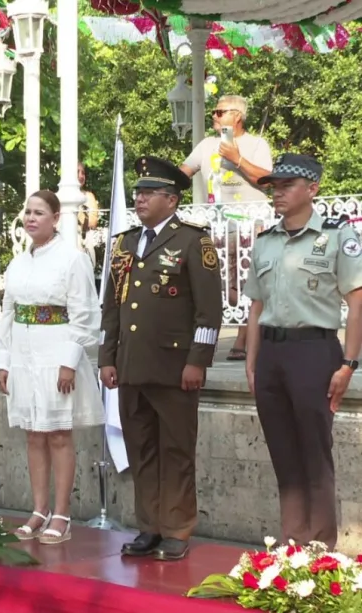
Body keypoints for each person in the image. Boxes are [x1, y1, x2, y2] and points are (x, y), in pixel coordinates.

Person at [98, 156, 223, 561]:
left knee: (176, 451)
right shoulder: (124, 243)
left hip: (174, 368)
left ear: (171, 200)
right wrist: (107, 357)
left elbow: (209, 311)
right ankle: (148, 526)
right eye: (137, 193)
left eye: (148, 193)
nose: (139, 199)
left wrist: (198, 361)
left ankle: (177, 528)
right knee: (141, 450)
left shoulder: (193, 241)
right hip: (132, 366)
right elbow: (112, 307)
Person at [244, 154, 362, 550]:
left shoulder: (335, 237)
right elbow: (256, 307)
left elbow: (356, 300)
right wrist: (251, 362)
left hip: (314, 351)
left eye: (286, 185)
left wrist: (349, 362)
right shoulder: (265, 242)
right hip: (272, 355)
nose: (277, 192)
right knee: (283, 453)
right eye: (274, 186)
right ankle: (292, 543)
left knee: (314, 452)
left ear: (312, 189)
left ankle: (321, 548)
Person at [0, 190, 104, 544]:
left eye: (39, 212)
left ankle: (62, 513)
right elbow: (7, 313)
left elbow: (85, 314)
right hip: (25, 356)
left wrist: (69, 362)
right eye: (27, 212)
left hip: (56, 354)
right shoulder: (17, 263)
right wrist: (3, 360)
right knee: (33, 433)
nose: (30, 218)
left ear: (56, 218)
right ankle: (38, 509)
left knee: (58, 433)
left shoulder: (73, 260)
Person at [180, 94, 273, 362]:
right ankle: (206, 338)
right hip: (216, 224)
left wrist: (238, 158)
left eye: (220, 112)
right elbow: (183, 172)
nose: (214, 116)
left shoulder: (256, 144)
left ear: (238, 116)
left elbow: (266, 181)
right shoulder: (207, 144)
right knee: (216, 283)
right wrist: (160, 182)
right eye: (214, 112)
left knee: (249, 283)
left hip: (250, 224)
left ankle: (244, 338)